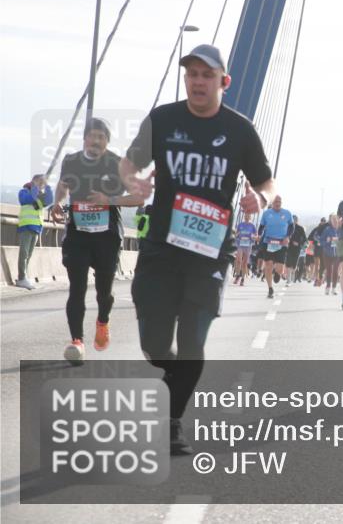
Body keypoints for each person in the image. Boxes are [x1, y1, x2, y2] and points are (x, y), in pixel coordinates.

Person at [120, 43, 275, 456]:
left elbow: (265, 181)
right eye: (191, 74)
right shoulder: (163, 120)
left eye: (207, 76)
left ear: (223, 82)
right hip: (161, 250)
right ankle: (178, 375)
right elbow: (127, 163)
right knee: (155, 345)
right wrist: (133, 181)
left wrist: (258, 201)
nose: (198, 82)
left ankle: (171, 422)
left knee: (193, 343)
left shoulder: (240, 130)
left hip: (209, 253)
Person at [51, 118, 144, 363]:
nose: (96, 141)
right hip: (78, 236)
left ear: (107, 142)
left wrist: (109, 199)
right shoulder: (71, 161)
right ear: (85, 138)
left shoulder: (117, 164)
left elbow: (138, 198)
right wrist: (58, 202)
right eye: (92, 136)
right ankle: (77, 341)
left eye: (101, 138)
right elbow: (63, 185)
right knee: (77, 290)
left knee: (104, 292)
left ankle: (103, 321)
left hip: (107, 238)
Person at [15, 174, 53, 289]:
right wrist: (35, 187)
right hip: (26, 226)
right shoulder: (24, 192)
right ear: (33, 182)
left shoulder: (39, 195)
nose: (40, 186)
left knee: (29, 254)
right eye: (39, 183)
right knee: (24, 253)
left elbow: (49, 200)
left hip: (36, 228)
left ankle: (25, 276)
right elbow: (27, 200)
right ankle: (21, 277)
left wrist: (47, 186)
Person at [258, 195, 293, 298]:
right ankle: (270, 289)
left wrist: (287, 236)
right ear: (272, 203)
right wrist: (259, 235)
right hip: (268, 242)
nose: (278, 203)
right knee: (268, 265)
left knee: (280, 269)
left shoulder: (287, 213)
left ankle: (277, 273)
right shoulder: (266, 214)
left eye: (279, 202)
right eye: (276, 202)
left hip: (281, 243)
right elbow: (261, 227)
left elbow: (291, 227)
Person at [318, 214, 340, 295]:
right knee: (329, 271)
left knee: (336, 271)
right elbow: (321, 241)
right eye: (333, 220)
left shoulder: (340, 230)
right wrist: (327, 241)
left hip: (337, 254)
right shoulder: (327, 230)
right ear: (331, 221)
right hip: (327, 253)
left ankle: (334, 288)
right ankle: (328, 286)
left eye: (336, 220)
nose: (335, 222)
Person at [233, 214, 257, 286]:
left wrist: (253, 236)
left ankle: (242, 278)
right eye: (246, 216)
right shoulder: (240, 224)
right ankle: (237, 275)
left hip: (248, 245)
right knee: (238, 260)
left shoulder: (252, 226)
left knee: (244, 263)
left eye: (248, 216)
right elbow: (236, 234)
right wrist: (237, 234)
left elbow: (256, 236)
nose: (247, 217)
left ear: (250, 217)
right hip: (240, 244)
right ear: (244, 217)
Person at [285, 215, 307, 285]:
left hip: (297, 249)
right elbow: (285, 236)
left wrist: (299, 243)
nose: (294, 221)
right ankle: (288, 279)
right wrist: (289, 241)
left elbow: (305, 239)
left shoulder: (300, 228)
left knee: (294, 264)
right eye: (293, 219)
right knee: (288, 263)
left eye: (295, 219)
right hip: (289, 247)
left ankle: (292, 276)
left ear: (297, 220)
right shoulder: (288, 227)